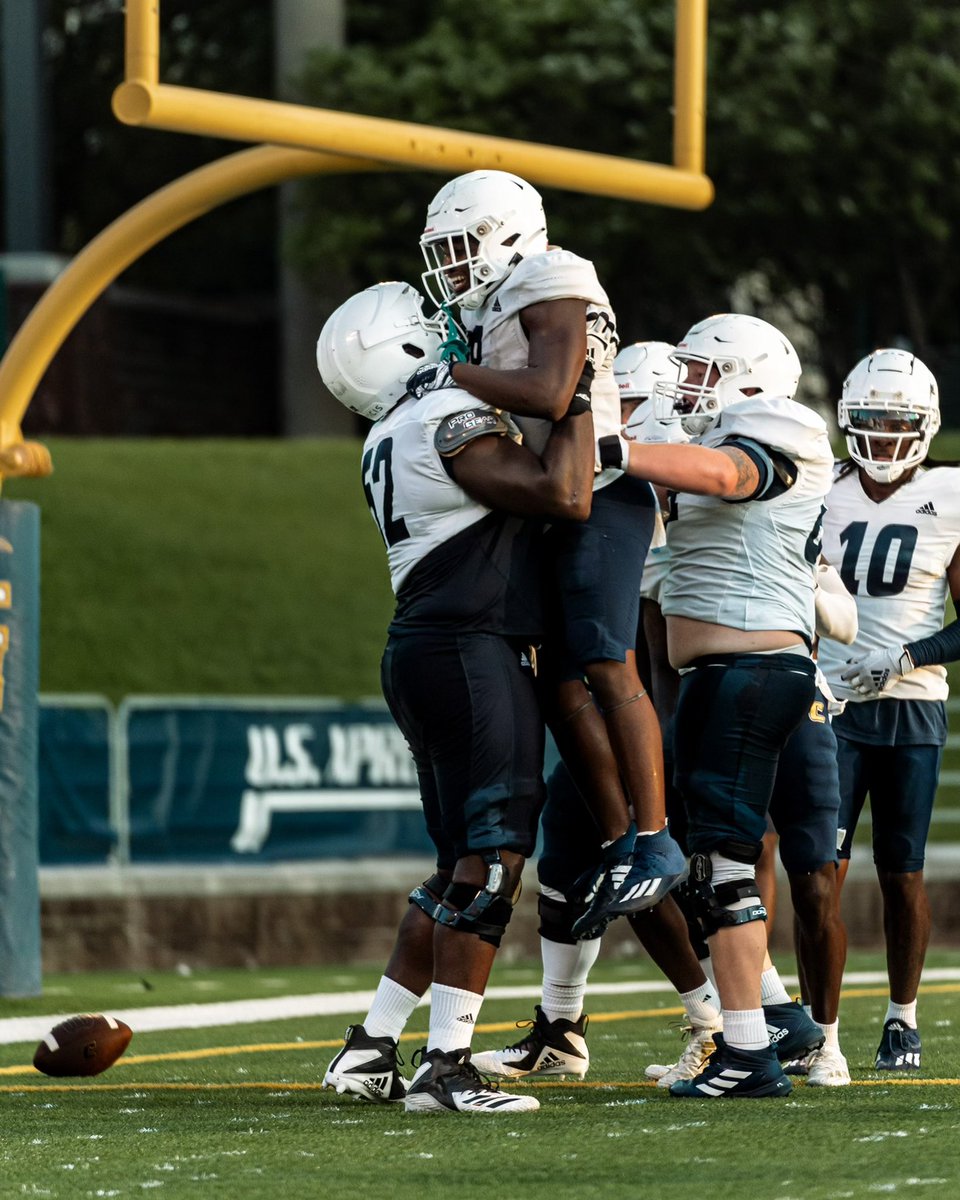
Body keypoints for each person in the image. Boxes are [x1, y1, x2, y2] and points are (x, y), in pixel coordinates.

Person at [316, 280, 596, 1114]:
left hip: (429, 645)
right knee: (498, 853)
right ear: (403, 350)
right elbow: (565, 494)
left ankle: (371, 1045)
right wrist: (578, 395)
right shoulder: (443, 421)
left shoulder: (389, 434)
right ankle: (446, 1067)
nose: (451, 339)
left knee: (458, 862)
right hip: (470, 648)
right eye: (429, 331)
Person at [410, 171, 687, 938]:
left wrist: (449, 374)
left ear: (509, 233)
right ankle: (620, 833)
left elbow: (549, 388)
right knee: (559, 684)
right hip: (557, 502)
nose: (453, 264)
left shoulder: (550, 275)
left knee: (603, 659)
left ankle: (656, 836)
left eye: (464, 245)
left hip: (603, 491)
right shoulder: (491, 303)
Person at [598, 312, 834, 1098]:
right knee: (710, 865)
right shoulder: (712, 436)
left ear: (752, 382)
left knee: (726, 868)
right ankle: (767, 1029)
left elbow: (733, 476)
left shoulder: (780, 428)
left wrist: (620, 450)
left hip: (756, 668)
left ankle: (747, 1052)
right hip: (718, 673)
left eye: (703, 371)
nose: (686, 385)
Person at [817, 347, 959, 1072]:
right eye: (868, 418)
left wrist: (906, 657)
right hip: (829, 701)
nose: (880, 433)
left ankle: (902, 1018)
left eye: (896, 420)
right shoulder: (820, 487)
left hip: (909, 703)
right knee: (822, 871)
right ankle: (824, 1034)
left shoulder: (952, 493)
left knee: (902, 872)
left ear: (925, 424)